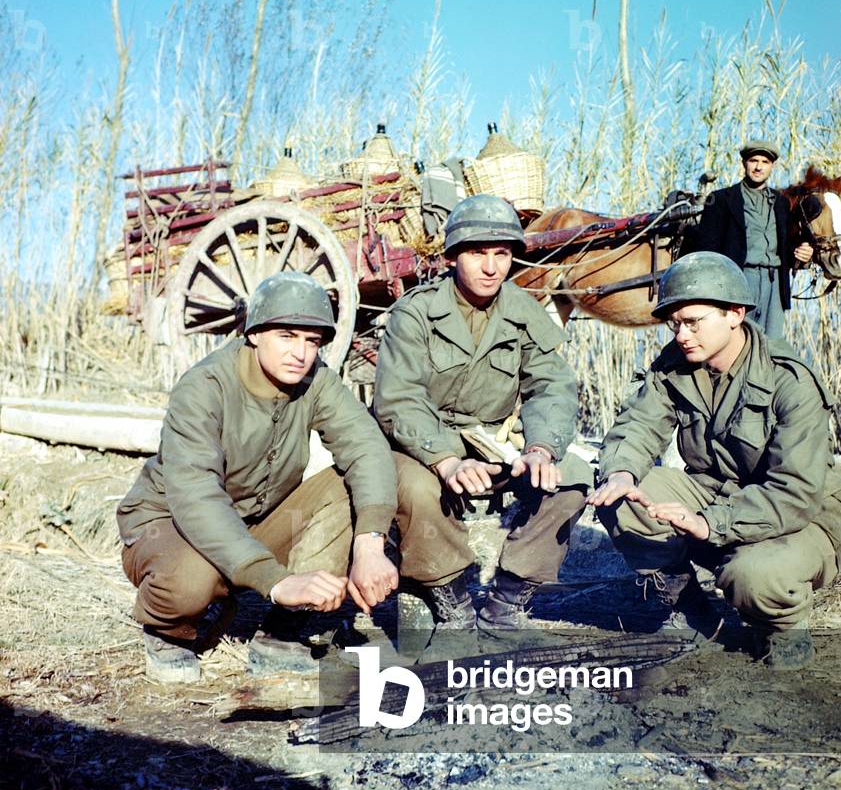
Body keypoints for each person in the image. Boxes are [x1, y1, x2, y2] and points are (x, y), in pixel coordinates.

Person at [118, 272, 398, 683]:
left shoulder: (316, 379)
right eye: (287, 335)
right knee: (190, 581)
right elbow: (196, 497)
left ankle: (284, 631)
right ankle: (167, 630)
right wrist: (276, 580)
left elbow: (366, 447)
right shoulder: (204, 387)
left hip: (254, 521)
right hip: (171, 523)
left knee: (348, 485)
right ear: (253, 334)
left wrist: (371, 543)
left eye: (312, 341)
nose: (300, 353)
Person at [588, 251, 841, 669]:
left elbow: (795, 492)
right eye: (675, 324)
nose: (682, 334)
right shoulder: (677, 365)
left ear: (735, 314)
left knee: (755, 575)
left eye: (693, 322)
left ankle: (782, 628)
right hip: (717, 496)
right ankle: (689, 606)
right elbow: (638, 425)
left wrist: (710, 524)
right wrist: (620, 471)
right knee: (624, 497)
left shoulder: (789, 380)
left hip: (798, 519)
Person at [373, 194, 592, 634]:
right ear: (453, 257)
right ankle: (447, 590)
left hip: (490, 442)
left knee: (571, 476)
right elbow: (398, 399)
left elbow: (551, 384)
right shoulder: (416, 313)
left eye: (502, 254)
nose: (491, 267)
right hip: (420, 446)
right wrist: (448, 460)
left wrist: (541, 449)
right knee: (417, 491)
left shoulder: (523, 309)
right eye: (477, 253)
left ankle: (509, 596)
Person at [689, 139, 813, 338]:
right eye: (753, 160)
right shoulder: (722, 199)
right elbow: (707, 251)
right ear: (744, 164)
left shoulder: (781, 202)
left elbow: (785, 248)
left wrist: (801, 254)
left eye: (765, 162)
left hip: (774, 285)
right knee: (737, 344)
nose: (758, 167)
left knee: (771, 346)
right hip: (739, 280)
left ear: (772, 166)